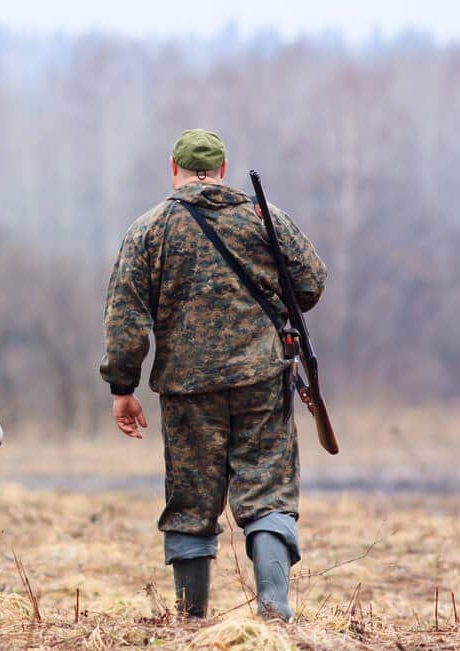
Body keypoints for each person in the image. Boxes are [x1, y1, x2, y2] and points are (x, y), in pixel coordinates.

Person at [100, 129, 327, 620]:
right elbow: (310, 285)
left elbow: (125, 317)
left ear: (173, 167)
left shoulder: (149, 229)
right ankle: (273, 605)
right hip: (262, 382)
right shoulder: (266, 220)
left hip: (187, 391)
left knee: (190, 502)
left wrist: (123, 387)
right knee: (267, 492)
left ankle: (190, 621)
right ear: (223, 169)